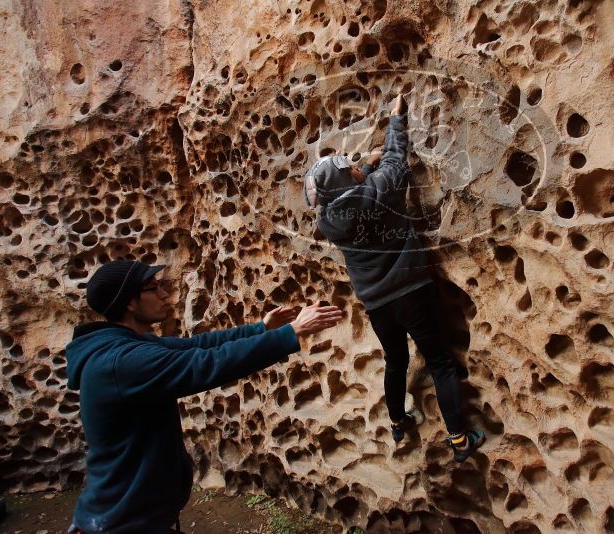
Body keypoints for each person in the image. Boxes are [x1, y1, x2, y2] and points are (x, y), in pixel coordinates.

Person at [65, 259, 343, 533]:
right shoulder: (121, 362)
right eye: (153, 288)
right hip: (120, 521)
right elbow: (207, 363)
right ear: (129, 302)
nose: (164, 294)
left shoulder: (125, 346)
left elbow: (196, 345)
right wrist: (291, 333)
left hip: (133, 513)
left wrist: (262, 328)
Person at [304, 94, 485, 462]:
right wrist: (396, 119)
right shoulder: (382, 186)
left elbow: (355, 194)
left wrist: (364, 169)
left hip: (378, 305)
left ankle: (398, 421)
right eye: (350, 167)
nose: (357, 167)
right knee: (440, 362)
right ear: (346, 179)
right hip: (412, 292)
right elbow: (394, 156)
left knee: (396, 361)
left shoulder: (328, 222)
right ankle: (459, 439)